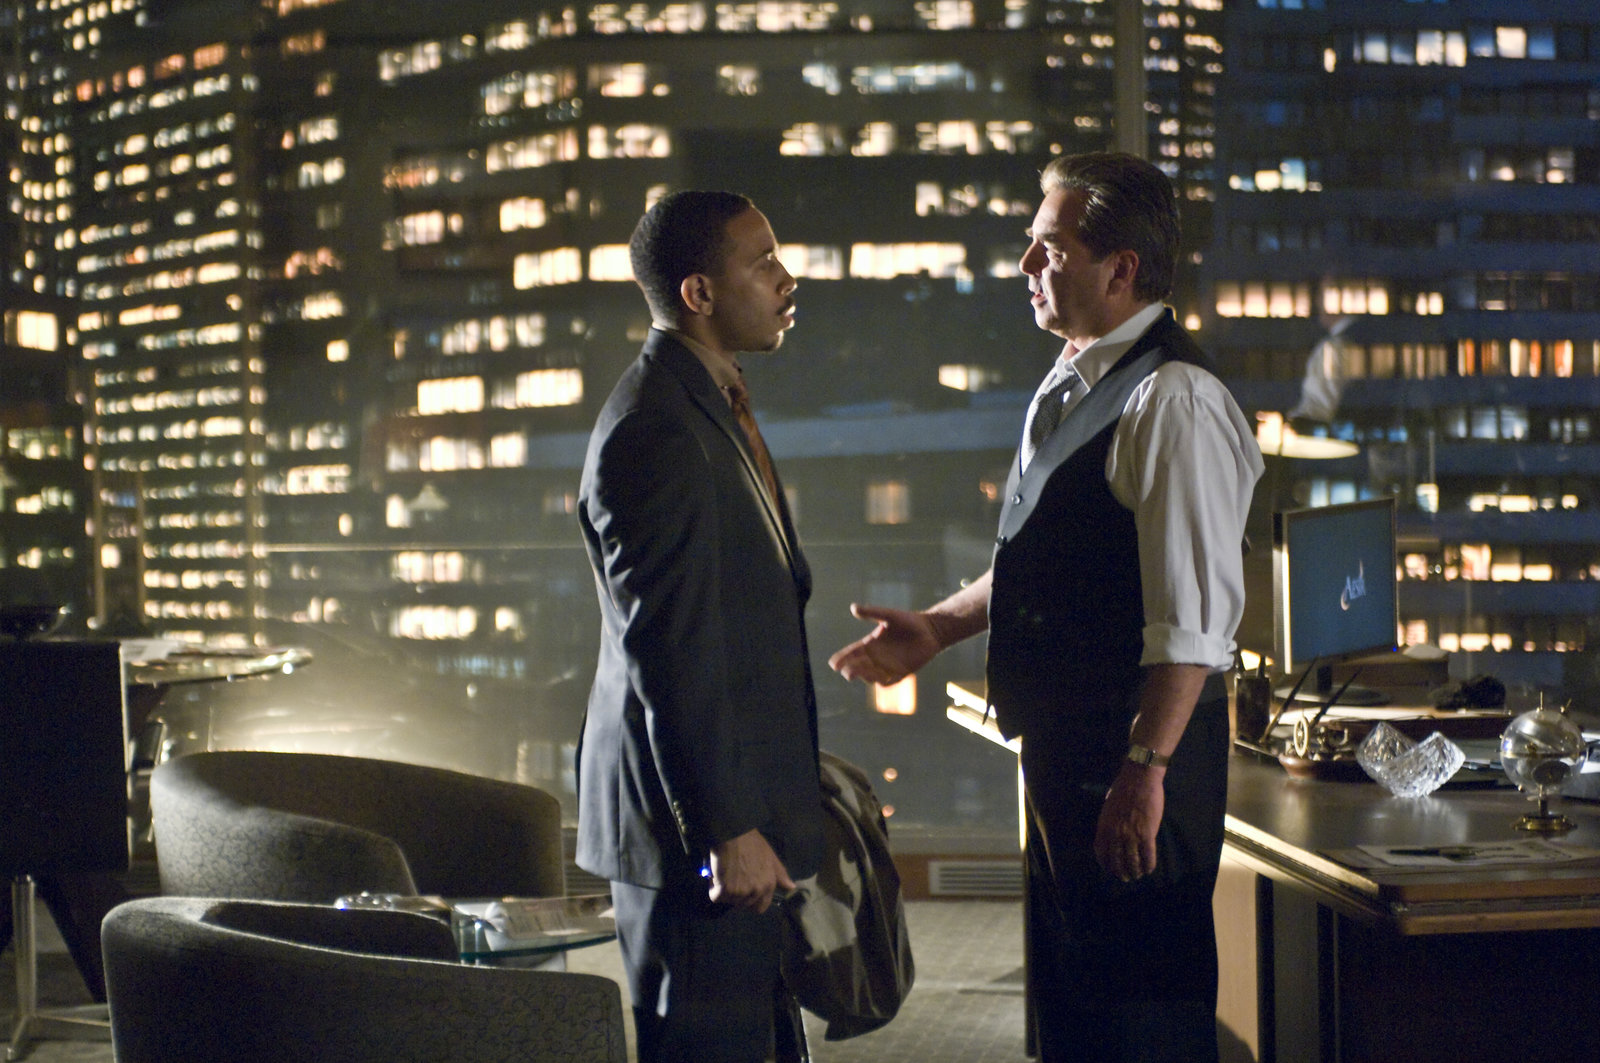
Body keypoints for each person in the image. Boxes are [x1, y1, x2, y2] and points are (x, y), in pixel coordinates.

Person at [830, 152, 1263, 1063]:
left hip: (1132, 764)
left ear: (1120, 269)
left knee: (1142, 1025)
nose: (1027, 264)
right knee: (1082, 1020)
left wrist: (1143, 771)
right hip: (1071, 759)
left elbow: (1190, 624)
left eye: (1049, 247)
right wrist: (939, 627)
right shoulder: (1076, 378)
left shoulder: (1174, 399)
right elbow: (1052, 560)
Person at [576, 190, 824, 1063]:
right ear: (699, 293)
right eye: (762, 261)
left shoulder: (705, 402)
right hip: (693, 837)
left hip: (728, 811)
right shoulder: (657, 427)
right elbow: (670, 651)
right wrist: (728, 827)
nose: (787, 279)